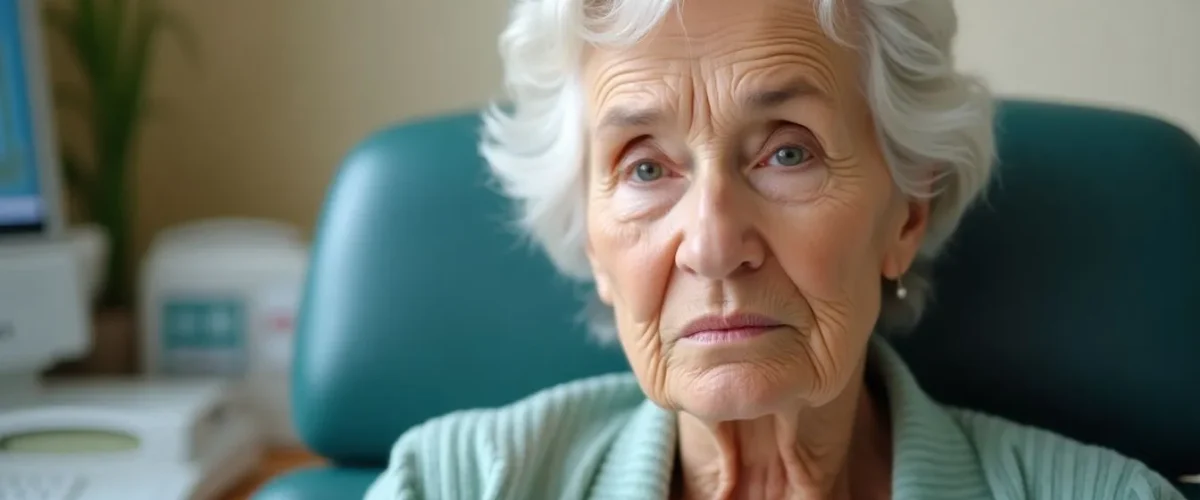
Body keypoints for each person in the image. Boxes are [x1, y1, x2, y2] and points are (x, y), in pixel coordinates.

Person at [366, 0, 1186, 498]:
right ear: (589, 235)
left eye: (787, 152)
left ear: (905, 213)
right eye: (645, 166)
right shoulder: (458, 483)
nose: (714, 245)